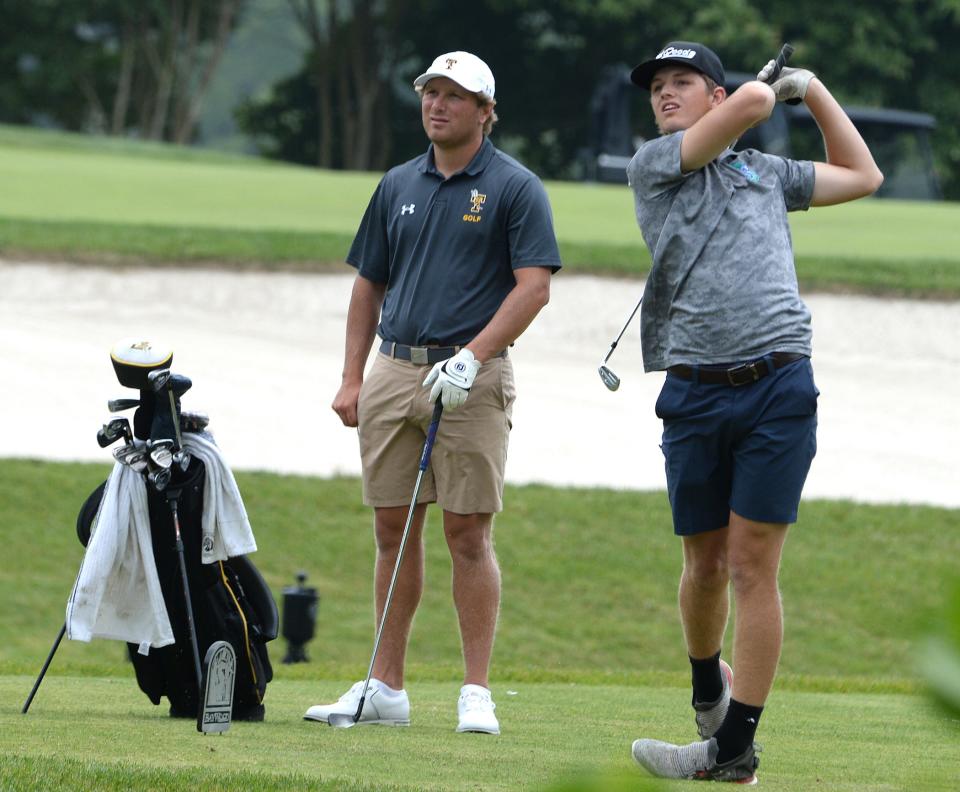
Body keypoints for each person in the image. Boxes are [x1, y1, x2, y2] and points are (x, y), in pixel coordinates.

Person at [624, 42, 882, 783]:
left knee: (751, 566)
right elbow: (751, 107)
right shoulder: (656, 163)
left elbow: (864, 175)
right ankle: (709, 684)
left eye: (683, 83)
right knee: (702, 563)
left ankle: (733, 745)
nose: (666, 94)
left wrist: (817, 88)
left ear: (712, 92)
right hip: (696, 388)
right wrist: (764, 92)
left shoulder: (764, 173)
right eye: (657, 87)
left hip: (778, 383)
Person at [304, 50, 561, 735]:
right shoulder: (397, 184)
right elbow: (369, 283)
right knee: (392, 528)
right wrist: (353, 375)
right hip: (394, 369)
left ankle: (476, 690)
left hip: (472, 377)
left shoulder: (514, 187)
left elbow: (532, 286)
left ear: (485, 110)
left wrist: (473, 358)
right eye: (430, 93)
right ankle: (386, 685)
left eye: (454, 95)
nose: (437, 104)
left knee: (468, 532)